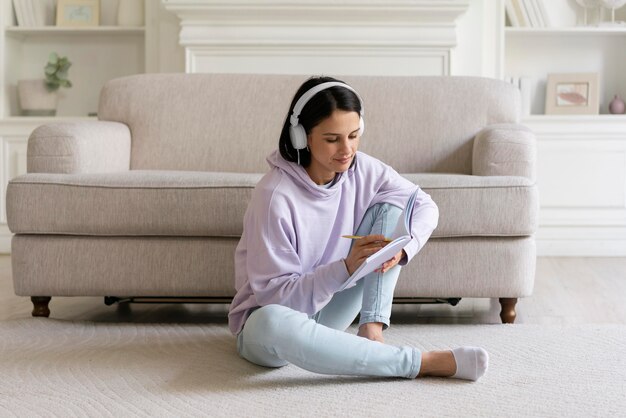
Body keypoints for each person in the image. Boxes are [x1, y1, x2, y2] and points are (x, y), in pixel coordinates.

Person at [228, 76, 489, 381]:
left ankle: (372, 330)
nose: (346, 149)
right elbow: (278, 298)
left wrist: (403, 249)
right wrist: (344, 267)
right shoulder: (274, 197)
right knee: (271, 321)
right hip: (270, 323)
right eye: (332, 139)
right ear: (302, 137)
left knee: (392, 207)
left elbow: (425, 206)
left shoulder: (362, 169)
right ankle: (422, 362)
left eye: (354, 135)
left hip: (330, 305)